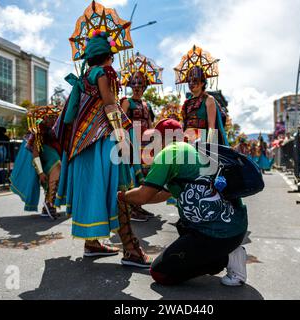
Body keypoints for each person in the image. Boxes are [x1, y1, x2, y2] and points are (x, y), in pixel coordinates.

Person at [54, 20, 152, 267]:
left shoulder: (86, 76)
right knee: (120, 189)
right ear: (109, 55)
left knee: (93, 188)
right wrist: (121, 134)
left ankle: (92, 243)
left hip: (81, 144)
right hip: (102, 140)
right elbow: (110, 105)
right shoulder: (106, 73)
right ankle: (130, 249)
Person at [119, 119, 249, 286]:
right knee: (182, 224)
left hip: (219, 234)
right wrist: (132, 197)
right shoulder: (193, 150)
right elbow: (161, 195)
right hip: (235, 227)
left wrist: (120, 196)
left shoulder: (169, 153)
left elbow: (143, 196)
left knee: (160, 273)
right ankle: (222, 252)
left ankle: (226, 257)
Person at [120, 52, 162, 222]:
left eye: (140, 84)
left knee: (145, 175)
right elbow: (121, 123)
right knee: (132, 175)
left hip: (146, 144)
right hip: (131, 142)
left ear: (145, 86)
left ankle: (138, 205)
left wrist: (154, 142)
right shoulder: (126, 102)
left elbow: (151, 124)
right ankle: (131, 208)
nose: (137, 87)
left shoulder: (147, 104)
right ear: (130, 85)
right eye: (134, 83)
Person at [10, 107, 62, 219]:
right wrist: (40, 172)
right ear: (44, 117)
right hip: (42, 157)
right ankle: (49, 204)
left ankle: (48, 205)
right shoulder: (38, 128)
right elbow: (35, 152)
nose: (53, 120)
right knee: (57, 167)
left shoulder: (58, 128)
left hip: (53, 156)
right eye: (50, 117)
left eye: (55, 117)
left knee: (56, 175)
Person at [175, 46, 228, 145]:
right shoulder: (187, 103)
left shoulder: (209, 100)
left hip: (202, 141)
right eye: (189, 80)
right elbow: (184, 125)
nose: (191, 83)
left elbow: (211, 126)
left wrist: (209, 147)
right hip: (186, 141)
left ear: (203, 83)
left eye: (195, 80)